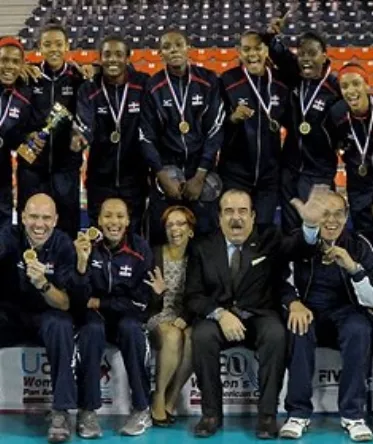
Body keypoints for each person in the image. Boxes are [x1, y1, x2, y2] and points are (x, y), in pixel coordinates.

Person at [185, 186, 330, 439]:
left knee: (276, 334)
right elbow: (193, 296)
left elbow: (300, 250)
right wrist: (220, 313)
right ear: (219, 217)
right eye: (229, 211)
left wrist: (309, 227)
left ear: (253, 216)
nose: (236, 218)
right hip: (221, 317)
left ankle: (267, 416)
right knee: (201, 335)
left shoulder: (270, 238)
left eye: (243, 211)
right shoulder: (202, 246)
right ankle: (210, 415)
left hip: (260, 314)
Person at [279, 191, 373, 441]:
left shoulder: (360, 245)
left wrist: (353, 268)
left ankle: (353, 415)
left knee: (360, 329)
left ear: (347, 217)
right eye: (324, 214)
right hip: (309, 310)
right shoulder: (299, 241)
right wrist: (293, 302)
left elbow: (372, 299)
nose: (331, 221)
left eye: (338, 214)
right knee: (298, 327)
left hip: (347, 313)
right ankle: (298, 413)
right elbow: (277, 277)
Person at [0, 193, 77, 443]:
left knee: (62, 325)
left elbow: (65, 303)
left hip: (47, 315)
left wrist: (43, 284)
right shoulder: (10, 236)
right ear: (22, 217)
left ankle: (61, 411)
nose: (39, 224)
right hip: (11, 314)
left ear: (55, 220)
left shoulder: (64, 245)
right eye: (33, 216)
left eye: (45, 218)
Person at [72, 197, 153, 437]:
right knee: (91, 329)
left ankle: (141, 408)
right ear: (98, 219)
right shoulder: (86, 245)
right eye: (107, 216)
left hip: (126, 316)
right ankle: (87, 411)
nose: (113, 222)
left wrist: (101, 302)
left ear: (128, 220)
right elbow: (77, 299)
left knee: (132, 329)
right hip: (93, 317)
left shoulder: (140, 250)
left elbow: (140, 300)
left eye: (119, 216)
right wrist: (82, 263)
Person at [139, 29, 225, 244]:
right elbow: (145, 136)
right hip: (167, 171)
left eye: (178, 44)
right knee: (164, 236)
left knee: (205, 237)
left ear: (189, 49)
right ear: (161, 54)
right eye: (167, 47)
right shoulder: (153, 86)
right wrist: (161, 174)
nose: (174, 50)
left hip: (201, 170)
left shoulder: (208, 80)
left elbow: (215, 128)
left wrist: (200, 174)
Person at [265, 16, 340, 233]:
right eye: (302, 53)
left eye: (312, 53)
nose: (306, 59)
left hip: (320, 171)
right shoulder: (294, 77)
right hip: (290, 167)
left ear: (324, 56)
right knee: (291, 227)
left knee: (319, 227)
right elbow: (278, 52)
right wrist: (272, 35)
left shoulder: (335, 89)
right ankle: (293, 267)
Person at [17, 22, 90, 238]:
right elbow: (17, 120)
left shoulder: (78, 79)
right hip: (31, 167)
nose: (53, 49)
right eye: (47, 44)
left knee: (67, 227)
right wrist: (24, 137)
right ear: (40, 46)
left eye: (59, 44)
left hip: (65, 169)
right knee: (29, 226)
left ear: (67, 46)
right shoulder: (29, 77)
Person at [72, 35, 149, 234]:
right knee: (98, 234)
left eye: (118, 54)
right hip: (100, 178)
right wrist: (80, 137)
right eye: (107, 54)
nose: (112, 59)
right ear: (99, 58)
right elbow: (84, 123)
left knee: (132, 234)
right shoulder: (89, 89)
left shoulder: (143, 85)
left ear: (128, 58)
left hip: (135, 178)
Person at [219, 31, 289, 230]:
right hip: (235, 172)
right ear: (238, 52)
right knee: (235, 228)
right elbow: (212, 125)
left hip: (269, 173)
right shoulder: (227, 80)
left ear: (266, 50)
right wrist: (231, 118)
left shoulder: (279, 82)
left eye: (258, 48)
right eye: (247, 49)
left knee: (263, 229)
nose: (253, 54)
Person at [145, 205, 196, 425]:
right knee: (173, 335)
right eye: (170, 225)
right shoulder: (153, 253)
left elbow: (202, 293)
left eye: (181, 223)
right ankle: (158, 395)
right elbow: (144, 299)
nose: (175, 229)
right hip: (158, 313)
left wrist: (186, 316)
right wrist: (157, 293)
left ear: (191, 230)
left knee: (195, 338)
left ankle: (171, 397)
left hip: (187, 315)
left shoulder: (199, 256)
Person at [324, 63, 373, 244]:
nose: (350, 91)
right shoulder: (337, 114)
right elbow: (332, 143)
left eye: (356, 84)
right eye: (344, 86)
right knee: (364, 239)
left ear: (367, 85)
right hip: (358, 187)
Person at [0, 37, 31, 228]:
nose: (9, 66)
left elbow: (18, 137)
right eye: (4, 60)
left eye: (15, 61)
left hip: (1, 178)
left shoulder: (23, 98)